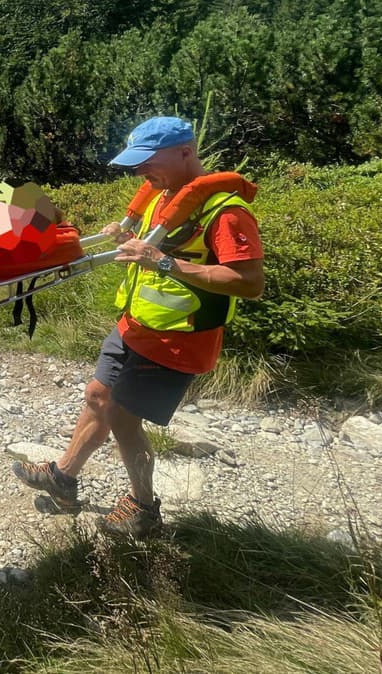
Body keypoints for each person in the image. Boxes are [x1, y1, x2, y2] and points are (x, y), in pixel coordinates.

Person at [13, 116, 264, 538]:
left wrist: (163, 262)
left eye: (149, 161)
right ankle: (64, 476)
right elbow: (147, 244)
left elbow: (249, 282)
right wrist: (121, 234)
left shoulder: (227, 213)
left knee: (123, 420)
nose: (140, 171)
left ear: (186, 152)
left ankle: (144, 508)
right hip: (134, 324)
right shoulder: (163, 194)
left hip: (177, 338)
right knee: (97, 396)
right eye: (136, 163)